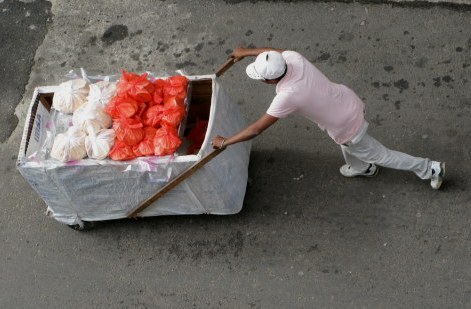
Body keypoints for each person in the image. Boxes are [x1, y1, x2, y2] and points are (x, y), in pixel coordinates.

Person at [211, 47, 445, 189]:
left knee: (382, 155)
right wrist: (246, 53)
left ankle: (429, 168)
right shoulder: (293, 58)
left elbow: (255, 130)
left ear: (270, 81)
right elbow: (272, 52)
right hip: (348, 102)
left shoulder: (287, 96)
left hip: (347, 128)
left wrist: (225, 142)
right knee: (353, 148)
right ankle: (362, 168)